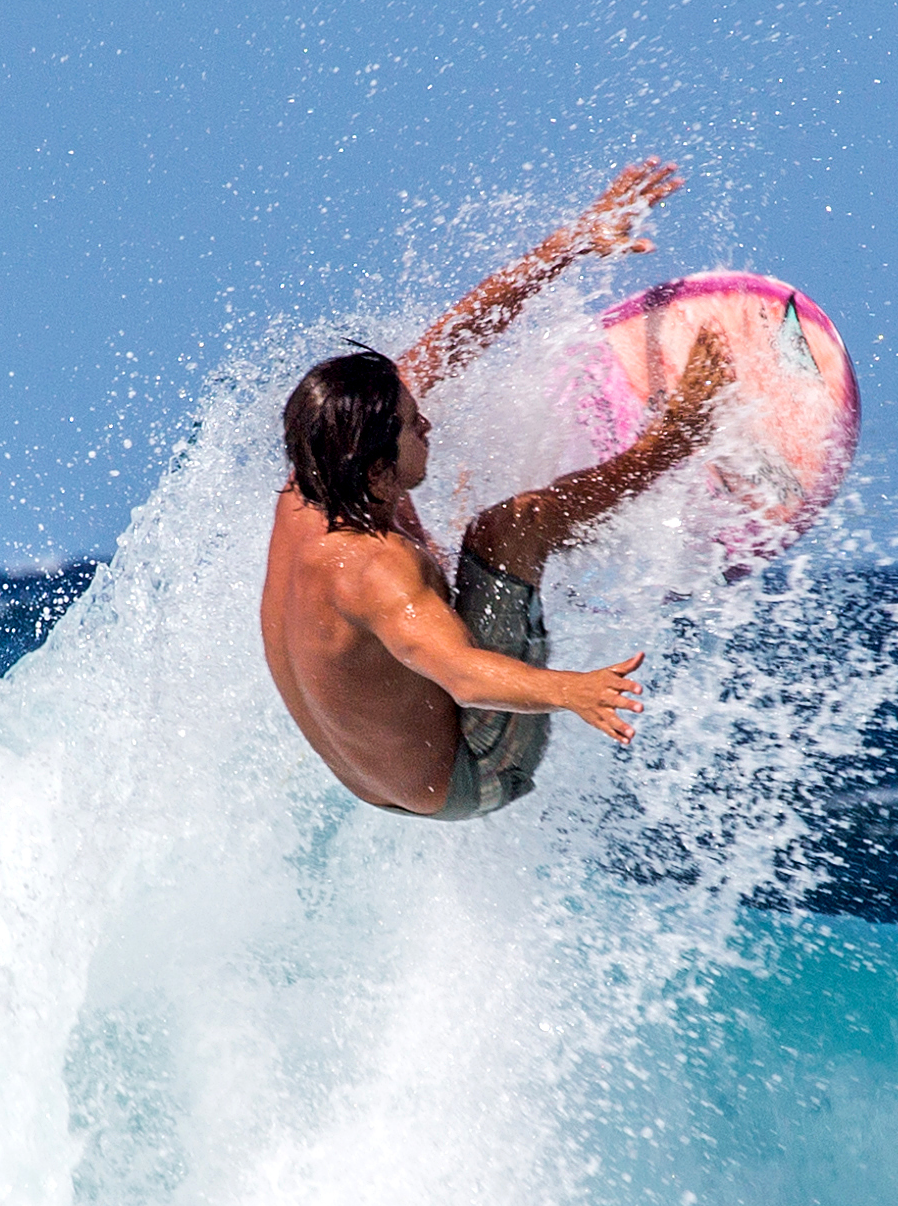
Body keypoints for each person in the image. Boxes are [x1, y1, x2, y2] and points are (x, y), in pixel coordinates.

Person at [259, 160, 735, 818]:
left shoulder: (316, 472)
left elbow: (453, 340)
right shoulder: (374, 572)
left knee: (455, 528)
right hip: (469, 771)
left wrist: (571, 243)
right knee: (508, 528)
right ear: (373, 468)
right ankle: (676, 440)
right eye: (410, 425)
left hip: (376, 777)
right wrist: (574, 691)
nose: (426, 421)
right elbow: (458, 673)